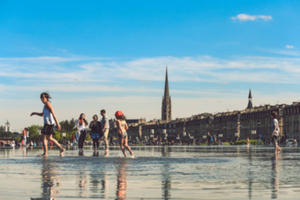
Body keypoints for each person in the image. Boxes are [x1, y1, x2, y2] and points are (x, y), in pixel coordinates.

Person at [30, 92, 64, 157]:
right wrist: (34, 113)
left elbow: (53, 114)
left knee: (44, 138)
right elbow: (42, 114)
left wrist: (58, 124)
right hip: (47, 124)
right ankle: (61, 148)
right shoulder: (45, 105)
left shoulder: (48, 104)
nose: (42, 99)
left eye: (43, 98)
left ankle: (46, 153)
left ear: (46, 98)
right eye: (41, 98)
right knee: (49, 138)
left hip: (49, 124)